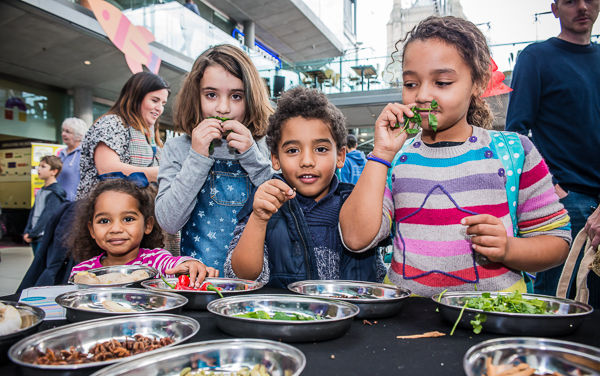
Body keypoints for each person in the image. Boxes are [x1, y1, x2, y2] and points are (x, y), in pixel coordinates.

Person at [339, 16, 572, 298]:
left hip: (492, 318)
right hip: (408, 325)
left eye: (443, 82)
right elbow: (355, 239)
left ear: (477, 83)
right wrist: (381, 155)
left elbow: (557, 242)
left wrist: (509, 249)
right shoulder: (397, 160)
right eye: (411, 83)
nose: (423, 95)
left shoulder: (514, 153)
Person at [224, 86, 386, 287]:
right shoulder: (264, 202)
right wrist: (258, 219)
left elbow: (377, 275)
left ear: (340, 156)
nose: (307, 161)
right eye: (292, 150)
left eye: (320, 149)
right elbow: (241, 276)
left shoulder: (357, 204)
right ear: (275, 159)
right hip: (286, 317)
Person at [505, 0, 600, 302]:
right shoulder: (537, 58)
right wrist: (552, 189)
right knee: (556, 311)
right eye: (570, 1)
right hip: (565, 200)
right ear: (555, 9)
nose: (582, 7)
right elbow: (516, 133)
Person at [156, 44, 274, 274]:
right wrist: (198, 157)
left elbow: (287, 210)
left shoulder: (265, 144)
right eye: (211, 95)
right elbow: (169, 222)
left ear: (251, 99)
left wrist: (251, 156)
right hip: (201, 284)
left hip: (258, 283)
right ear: (195, 96)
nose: (223, 108)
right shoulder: (177, 148)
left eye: (236, 96)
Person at [68, 178, 218, 287]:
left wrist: (191, 264)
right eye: (104, 221)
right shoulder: (82, 271)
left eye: (128, 219)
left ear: (148, 225)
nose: (116, 229)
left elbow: (174, 264)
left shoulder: (155, 261)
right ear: (91, 230)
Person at [76, 72, 170, 200]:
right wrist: (159, 173)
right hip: (104, 210)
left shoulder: (149, 132)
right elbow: (107, 168)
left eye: (163, 103)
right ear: (136, 97)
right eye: (155, 100)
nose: (159, 108)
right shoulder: (111, 123)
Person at [23, 156, 67, 255]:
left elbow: (47, 217)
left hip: (44, 237)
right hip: (35, 235)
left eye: (43, 166)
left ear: (54, 171)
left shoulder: (55, 193)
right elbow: (33, 212)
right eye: (39, 166)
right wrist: (28, 230)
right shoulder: (41, 191)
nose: (39, 169)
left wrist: (32, 233)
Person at [58, 117, 88, 201]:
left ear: (79, 136)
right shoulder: (61, 153)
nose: (63, 134)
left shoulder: (85, 154)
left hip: (74, 204)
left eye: (68, 132)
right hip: (58, 202)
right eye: (63, 130)